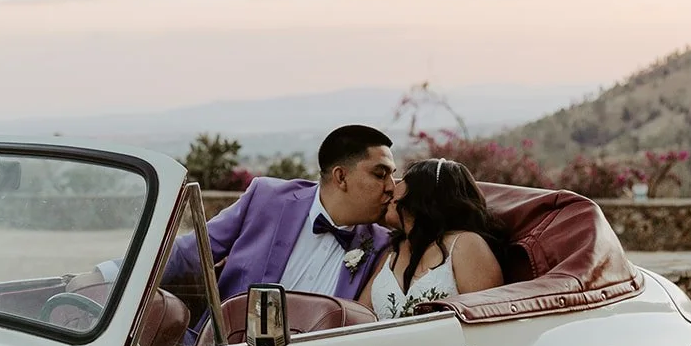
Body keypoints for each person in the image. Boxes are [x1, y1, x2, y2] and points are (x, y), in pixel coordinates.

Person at [162, 123, 397, 303]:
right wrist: (127, 272)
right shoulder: (266, 198)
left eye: (392, 175)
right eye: (380, 174)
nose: (391, 187)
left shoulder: (382, 246)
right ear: (341, 177)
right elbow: (190, 254)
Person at [363, 157, 506, 318]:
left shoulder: (466, 244)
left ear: (423, 192)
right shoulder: (392, 253)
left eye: (405, 180)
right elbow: (359, 315)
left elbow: (487, 320)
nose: (393, 188)